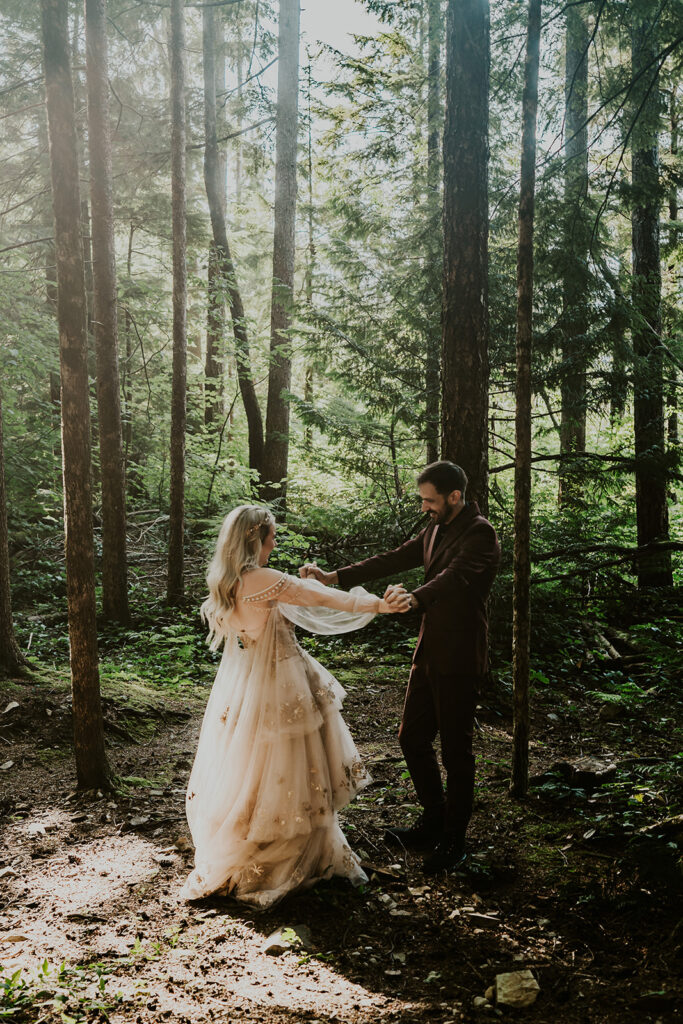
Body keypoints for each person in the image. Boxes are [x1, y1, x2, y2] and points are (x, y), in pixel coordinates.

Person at [181, 504, 409, 908]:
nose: (274, 543)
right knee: (296, 765)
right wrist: (379, 605)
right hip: (282, 684)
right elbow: (322, 598)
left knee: (256, 767)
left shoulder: (227, 580)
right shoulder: (264, 578)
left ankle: (267, 842)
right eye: (271, 536)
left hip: (248, 685)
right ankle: (295, 855)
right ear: (257, 537)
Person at [300, 461, 500, 874]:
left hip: (461, 655)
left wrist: (416, 599)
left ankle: (454, 838)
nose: (424, 507)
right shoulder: (433, 529)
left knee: (456, 751)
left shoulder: (480, 533)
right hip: (429, 652)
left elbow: (455, 577)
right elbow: (392, 559)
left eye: (430, 500)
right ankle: (434, 818)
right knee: (411, 737)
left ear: (454, 497)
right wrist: (333, 575)